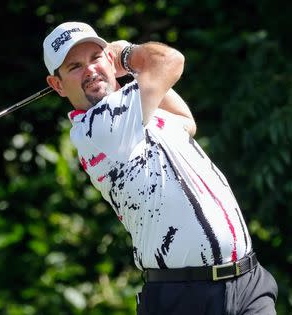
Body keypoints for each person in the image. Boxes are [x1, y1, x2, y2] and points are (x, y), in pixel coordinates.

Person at [42, 21, 278, 314]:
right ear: (57, 85)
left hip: (247, 282)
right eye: (75, 67)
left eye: (95, 57)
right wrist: (127, 55)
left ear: (108, 60)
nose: (90, 70)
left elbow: (185, 122)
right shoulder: (99, 129)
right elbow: (169, 61)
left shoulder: (135, 112)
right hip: (184, 298)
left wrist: (128, 69)